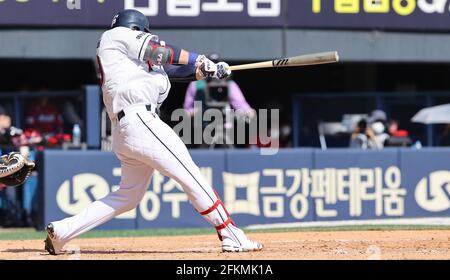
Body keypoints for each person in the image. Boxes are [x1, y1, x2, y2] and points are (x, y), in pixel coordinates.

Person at [44, 9, 262, 255]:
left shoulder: (134, 66)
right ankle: (230, 233)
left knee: (129, 196)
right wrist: (200, 59)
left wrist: (209, 71)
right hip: (139, 119)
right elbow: (162, 51)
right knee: (190, 174)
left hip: (128, 129)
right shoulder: (116, 36)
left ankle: (62, 231)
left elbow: (176, 71)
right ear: (138, 29)